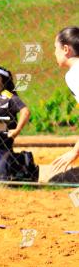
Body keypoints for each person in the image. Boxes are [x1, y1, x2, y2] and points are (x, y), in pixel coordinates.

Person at [50, 26, 79, 182]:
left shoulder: (74, 74)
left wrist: (75, 151)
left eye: (56, 48)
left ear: (66, 49)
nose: (54, 53)